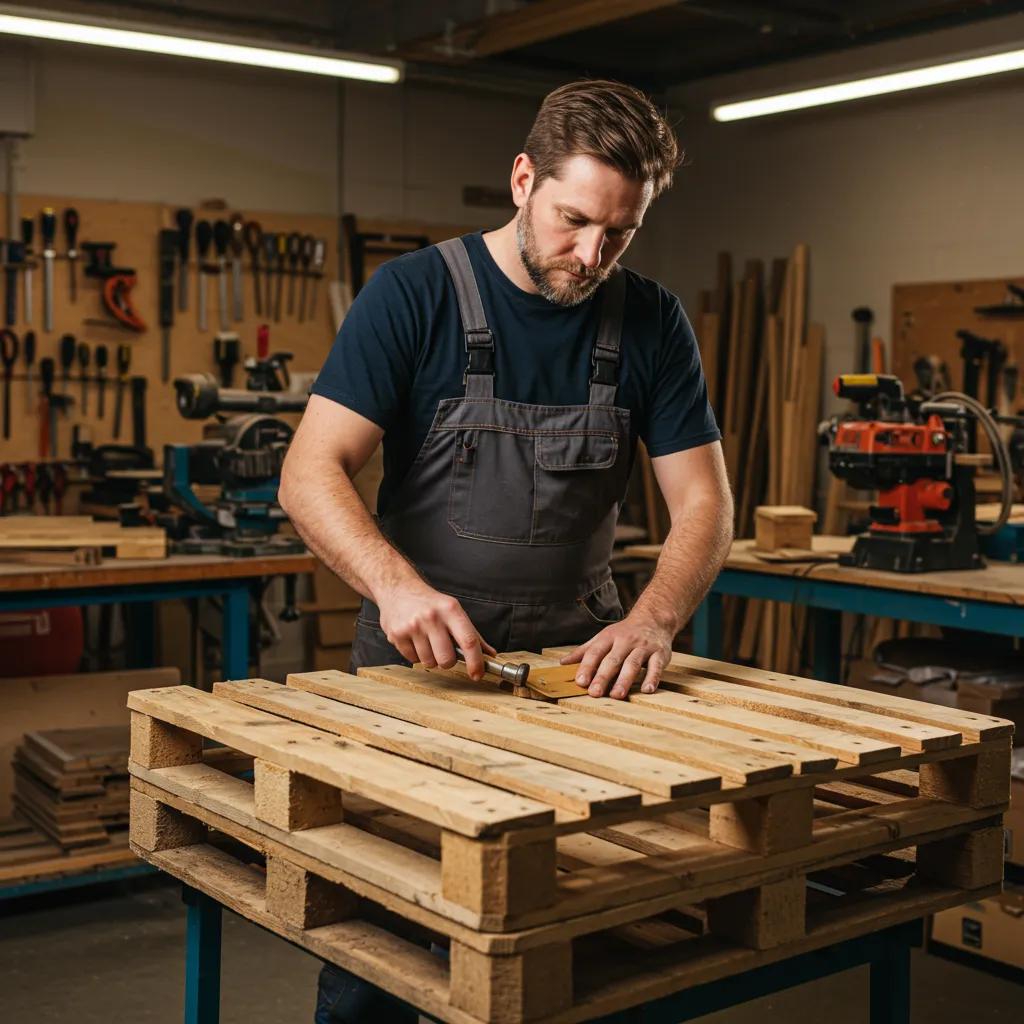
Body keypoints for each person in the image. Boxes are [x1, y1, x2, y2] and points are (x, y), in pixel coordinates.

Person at [279, 78, 733, 1024]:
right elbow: (310, 472)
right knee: (379, 956)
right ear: (523, 179)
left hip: (580, 679)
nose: (592, 254)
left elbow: (704, 505)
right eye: (574, 221)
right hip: (417, 677)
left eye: (621, 233)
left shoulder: (649, 320)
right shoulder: (414, 295)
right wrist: (396, 589)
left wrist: (652, 620)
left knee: (572, 955)